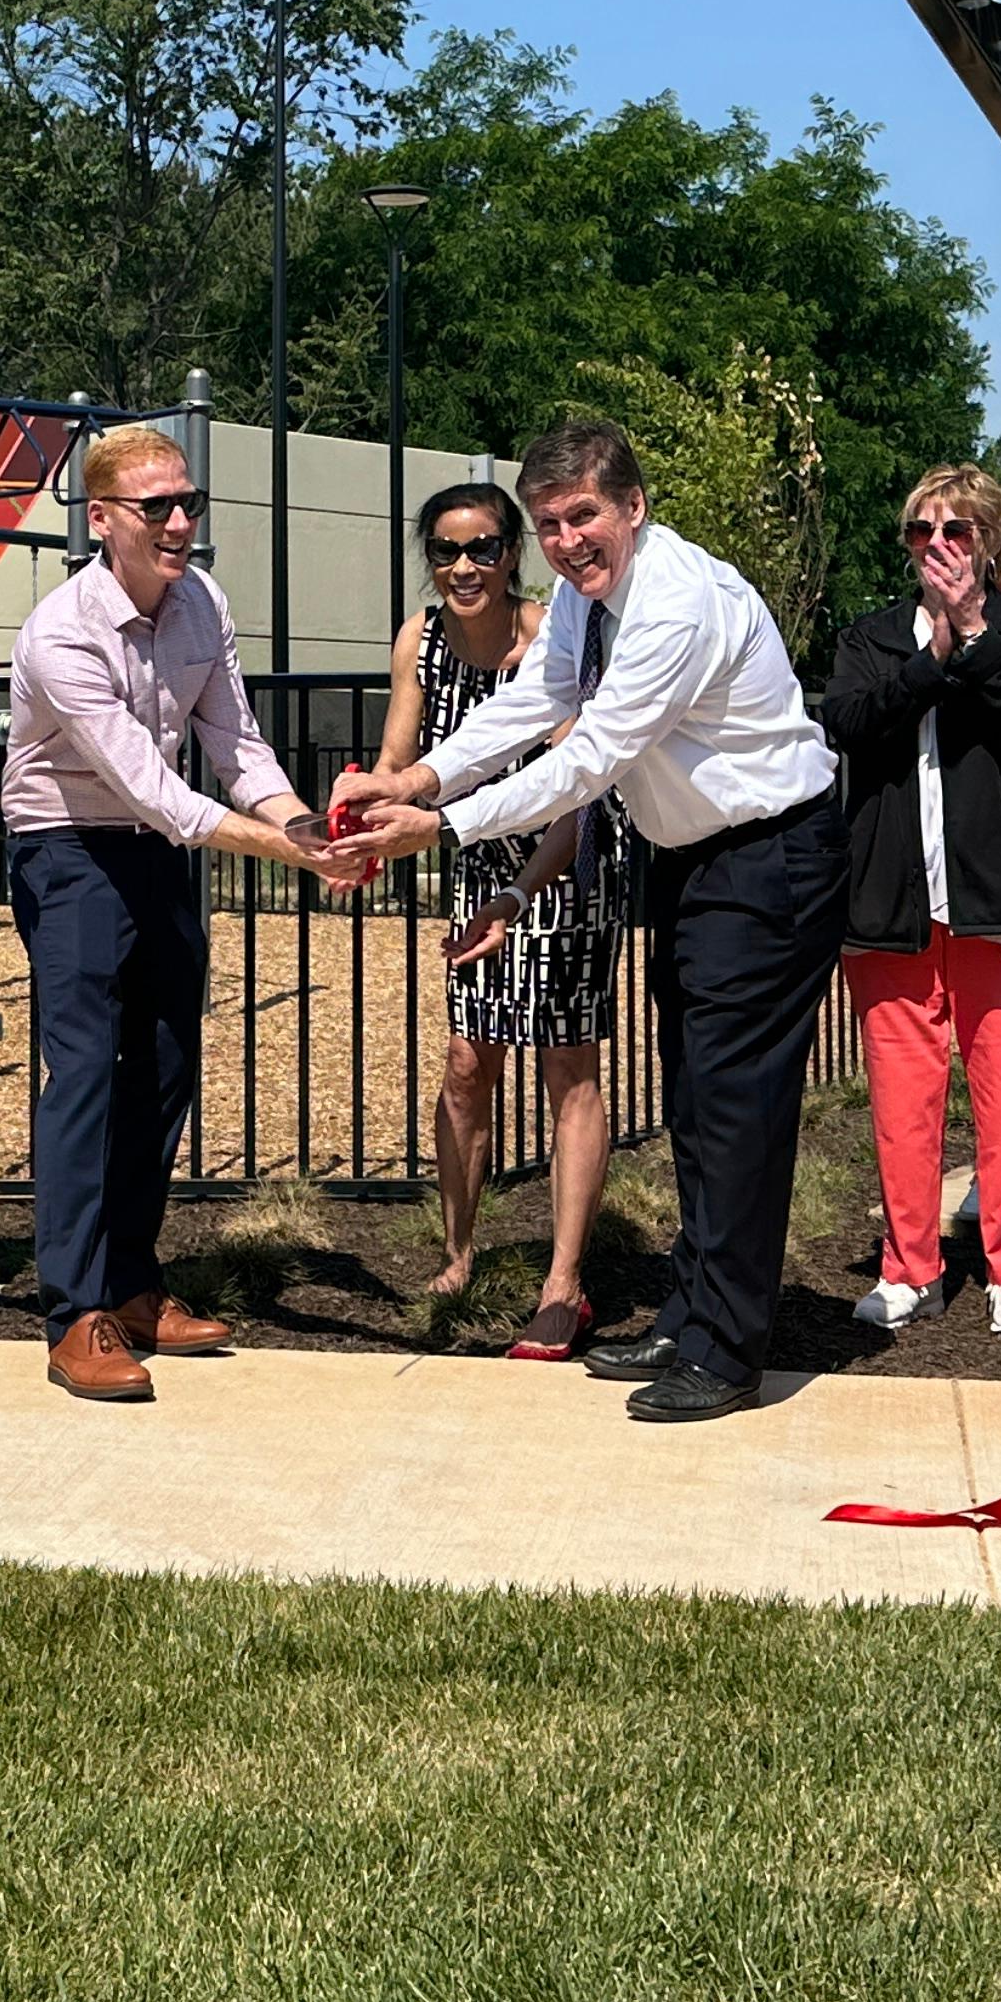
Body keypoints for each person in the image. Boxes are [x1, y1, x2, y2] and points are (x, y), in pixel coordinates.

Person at [333, 423, 850, 1427]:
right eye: (551, 524)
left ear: (633, 507)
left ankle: (730, 1354)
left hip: (772, 856)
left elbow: (592, 756)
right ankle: (696, 1316)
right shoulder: (587, 598)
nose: (567, 541)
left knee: (737, 1112)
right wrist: (419, 774)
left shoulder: (677, 602)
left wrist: (439, 824)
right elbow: (537, 699)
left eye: (584, 517)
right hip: (702, 860)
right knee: (699, 1105)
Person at [6, 425, 345, 1401]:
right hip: (68, 849)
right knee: (83, 1074)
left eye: (189, 503)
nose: (181, 522)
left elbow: (236, 746)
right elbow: (154, 785)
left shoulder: (204, 604)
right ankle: (75, 1314)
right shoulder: (61, 630)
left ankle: (133, 1283)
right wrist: (287, 848)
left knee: (162, 1063)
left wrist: (299, 818)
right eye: (157, 507)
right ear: (103, 518)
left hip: (159, 852)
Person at [821, 467, 1001, 1338]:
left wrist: (973, 635)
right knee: (902, 1099)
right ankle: (909, 1268)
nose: (937, 546)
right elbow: (854, 726)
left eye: (957, 531)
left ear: (992, 543)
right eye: (921, 532)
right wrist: (932, 658)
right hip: (892, 905)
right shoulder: (871, 638)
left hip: (998, 902)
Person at [371, 479, 622, 1354]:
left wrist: (520, 899)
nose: (464, 565)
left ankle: (564, 1280)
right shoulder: (422, 640)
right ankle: (458, 1250)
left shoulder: (552, 631)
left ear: (512, 551)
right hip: (471, 853)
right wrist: (362, 820)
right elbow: (400, 756)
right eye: (445, 550)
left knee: (566, 1063)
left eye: (483, 548)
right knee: (467, 1061)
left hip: (564, 856)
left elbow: (575, 793)